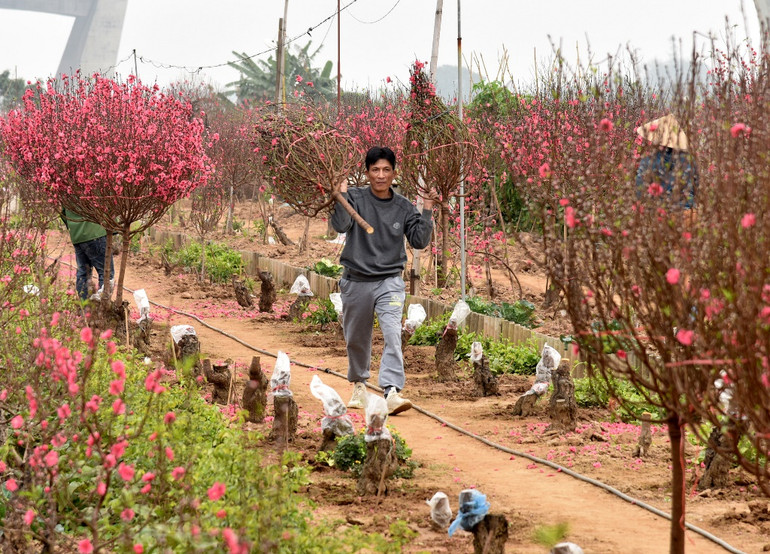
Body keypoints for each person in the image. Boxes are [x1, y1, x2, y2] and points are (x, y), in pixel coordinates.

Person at [331, 146, 434, 415]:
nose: (380, 175)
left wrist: (428, 209)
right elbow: (341, 226)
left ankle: (392, 391)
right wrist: (340, 193)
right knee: (357, 337)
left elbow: (419, 240)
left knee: (391, 333)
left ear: (394, 173)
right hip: (356, 279)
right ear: (367, 173)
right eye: (375, 169)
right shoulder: (355, 198)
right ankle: (359, 386)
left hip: (389, 279)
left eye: (386, 169)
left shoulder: (403, 207)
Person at [635, 114, 698, 219]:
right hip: (689, 215)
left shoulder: (648, 162)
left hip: (662, 216)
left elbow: (639, 191)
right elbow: (697, 188)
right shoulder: (690, 160)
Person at [61, 208, 114, 301]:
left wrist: (74, 228)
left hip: (77, 236)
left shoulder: (63, 193)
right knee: (106, 273)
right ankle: (102, 309)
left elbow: (63, 213)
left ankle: (85, 309)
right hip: (96, 233)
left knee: (83, 273)